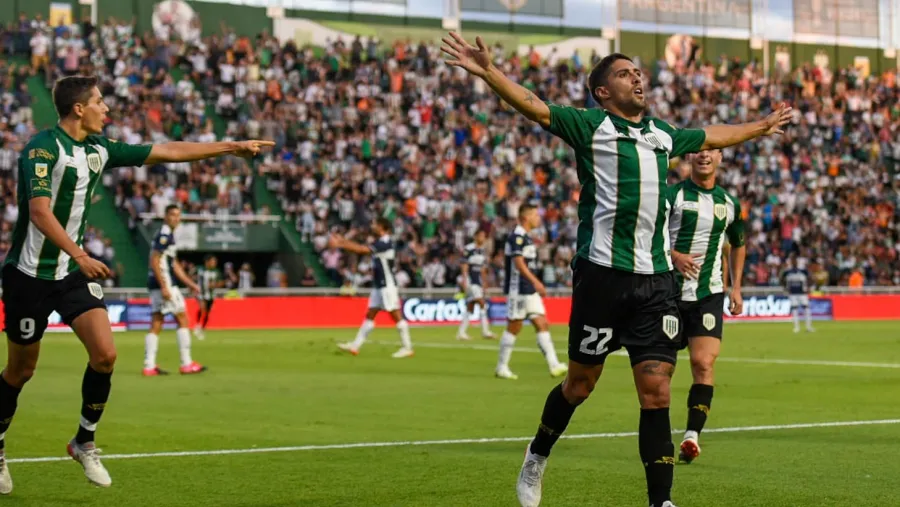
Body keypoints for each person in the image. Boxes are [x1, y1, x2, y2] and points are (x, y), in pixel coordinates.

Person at [439, 33, 790, 507]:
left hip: (656, 283)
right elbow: (536, 107)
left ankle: (661, 501)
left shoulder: (662, 135)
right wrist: (489, 73)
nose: (637, 77)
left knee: (657, 392)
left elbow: (713, 134)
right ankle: (537, 455)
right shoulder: (590, 126)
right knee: (580, 385)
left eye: (637, 72)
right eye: (625, 73)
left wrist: (762, 126)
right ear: (603, 91)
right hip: (601, 278)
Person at [0, 75, 273, 493]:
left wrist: (230, 147)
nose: (106, 109)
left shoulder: (99, 149)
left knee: (106, 355)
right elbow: (39, 212)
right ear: (79, 109)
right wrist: (80, 254)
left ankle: (83, 441)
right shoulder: (41, 148)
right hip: (28, 275)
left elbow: (167, 151)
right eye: (99, 102)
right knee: (21, 370)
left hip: (72, 272)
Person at [667, 149, 746, 464]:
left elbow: (738, 243)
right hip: (668, 294)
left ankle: (691, 436)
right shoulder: (671, 196)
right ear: (688, 158)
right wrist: (674, 255)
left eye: (711, 151)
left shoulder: (728, 203)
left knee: (703, 364)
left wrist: (736, 286)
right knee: (659, 372)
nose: (703, 156)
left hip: (708, 294)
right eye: (697, 151)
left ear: (721, 158)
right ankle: (657, 435)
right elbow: (647, 235)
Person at [496, 204, 566, 380]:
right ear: (526, 218)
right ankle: (501, 367)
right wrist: (537, 282)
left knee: (542, 323)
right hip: (518, 289)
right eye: (535, 215)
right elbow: (519, 263)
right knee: (514, 326)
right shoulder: (516, 237)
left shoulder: (526, 237)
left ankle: (554, 364)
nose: (538, 218)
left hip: (528, 289)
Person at [333, 217, 414, 358]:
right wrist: (342, 241)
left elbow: (362, 249)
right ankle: (355, 345)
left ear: (383, 228)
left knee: (395, 315)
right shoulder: (380, 242)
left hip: (387, 285)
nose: (373, 226)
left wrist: (341, 243)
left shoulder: (386, 243)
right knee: (370, 314)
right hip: (379, 285)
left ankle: (407, 347)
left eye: (376, 224)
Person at [144, 205, 206, 376]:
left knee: (157, 321)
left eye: (178, 215)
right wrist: (164, 286)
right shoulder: (164, 234)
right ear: (165, 216)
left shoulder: (167, 235)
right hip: (165, 283)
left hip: (157, 283)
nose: (176, 218)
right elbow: (155, 260)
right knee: (182, 319)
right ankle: (186, 363)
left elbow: (174, 264)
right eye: (172, 215)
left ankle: (149, 366)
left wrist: (190, 283)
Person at [457, 229, 495, 340]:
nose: (483, 239)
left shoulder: (483, 251)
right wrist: (464, 280)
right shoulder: (469, 249)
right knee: (482, 303)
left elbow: (483, 269)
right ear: (476, 237)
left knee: (471, 307)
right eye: (481, 236)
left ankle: (461, 332)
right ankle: (485, 331)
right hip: (470, 280)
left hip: (478, 282)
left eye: (484, 237)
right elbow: (464, 265)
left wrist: (484, 283)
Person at [782, 256, 814, 333]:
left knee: (806, 308)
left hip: (802, 293)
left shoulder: (802, 271)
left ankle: (808, 327)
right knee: (795, 309)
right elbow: (782, 279)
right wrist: (785, 288)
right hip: (793, 293)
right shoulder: (787, 272)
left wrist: (809, 287)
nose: (794, 263)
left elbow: (810, 278)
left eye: (795, 261)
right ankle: (796, 327)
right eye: (792, 261)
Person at [193, 254, 222, 340]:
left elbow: (221, 282)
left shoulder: (216, 271)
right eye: (212, 261)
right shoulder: (199, 269)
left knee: (207, 313)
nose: (214, 263)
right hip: (201, 293)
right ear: (207, 262)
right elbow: (191, 276)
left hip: (211, 295)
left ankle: (202, 329)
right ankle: (197, 325)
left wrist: (216, 284)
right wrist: (193, 287)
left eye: (215, 261)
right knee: (202, 308)